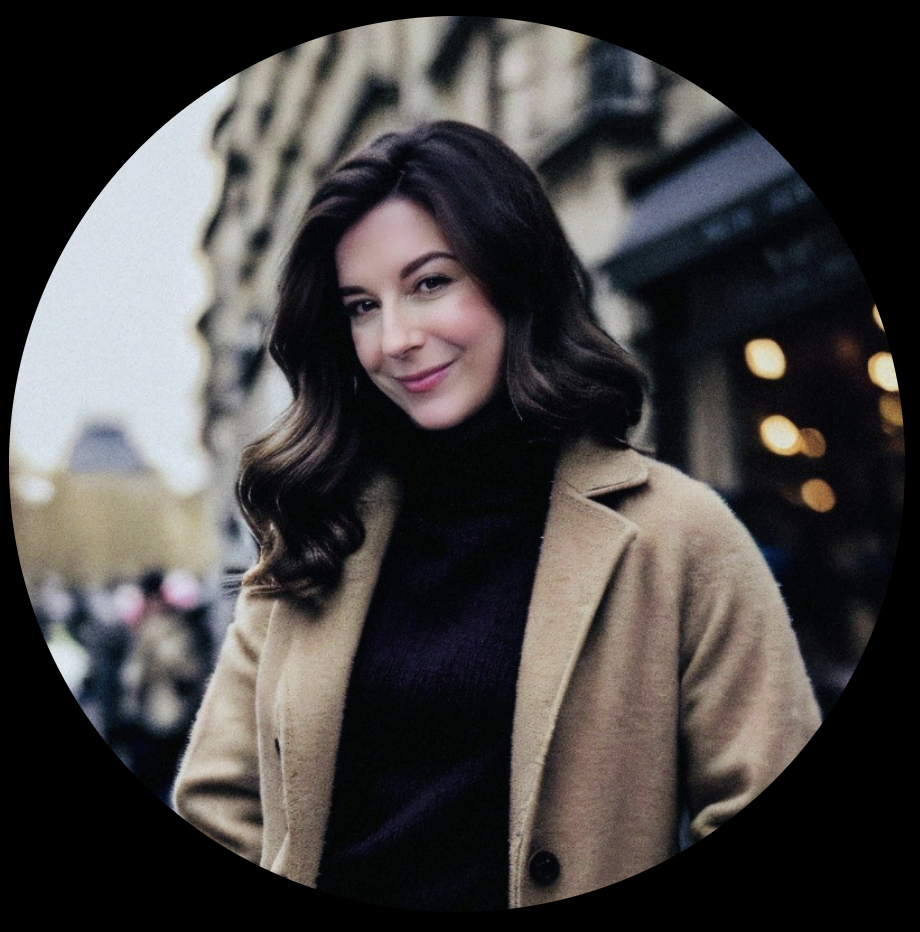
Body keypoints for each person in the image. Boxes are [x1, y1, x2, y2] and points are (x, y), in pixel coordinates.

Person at [173, 120, 821, 910]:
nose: (395, 339)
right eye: (360, 306)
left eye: (430, 283)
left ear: (514, 276)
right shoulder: (317, 530)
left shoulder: (678, 535)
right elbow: (218, 805)